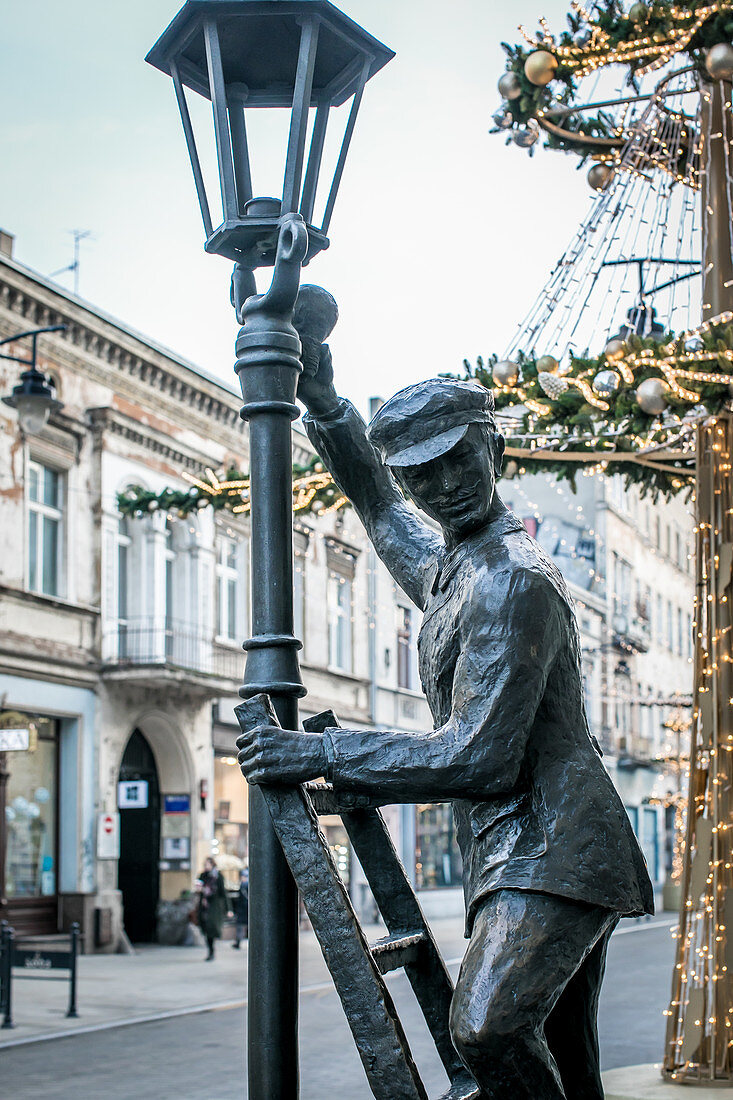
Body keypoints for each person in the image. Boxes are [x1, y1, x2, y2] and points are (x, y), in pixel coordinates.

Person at [236, 294, 654, 1099]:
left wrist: (321, 751)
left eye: (457, 461)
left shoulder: (508, 581)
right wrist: (324, 404)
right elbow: (380, 508)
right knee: (564, 1052)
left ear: (491, 449)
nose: (442, 486)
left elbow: (479, 754)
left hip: (554, 843)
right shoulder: (458, 565)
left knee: (487, 1029)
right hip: (530, 844)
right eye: (422, 473)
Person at [196, 856, 229, 961]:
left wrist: (229, 909)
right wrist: (199, 889)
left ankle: (211, 951)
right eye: (204, 865)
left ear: (212, 864)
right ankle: (210, 949)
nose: (205, 866)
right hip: (204, 906)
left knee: (212, 927)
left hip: (214, 907)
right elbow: (198, 887)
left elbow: (223, 893)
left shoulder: (218, 876)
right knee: (205, 928)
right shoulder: (202, 875)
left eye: (207, 864)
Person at [232, 866, 248, 948]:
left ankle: (238, 942)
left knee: (240, 926)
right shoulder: (245, 885)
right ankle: (238, 942)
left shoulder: (244, 885)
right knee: (241, 927)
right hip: (245, 909)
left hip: (244, 909)